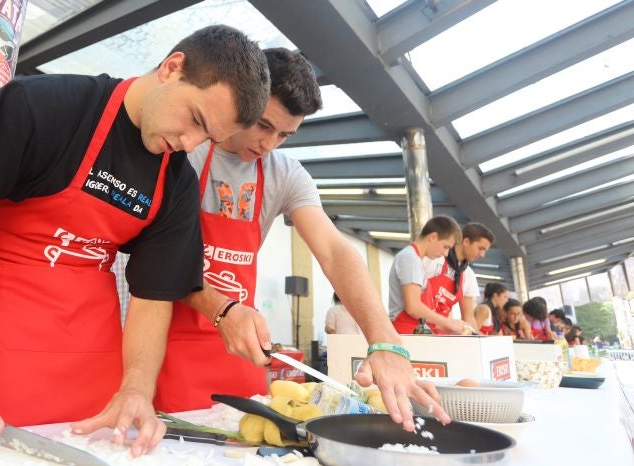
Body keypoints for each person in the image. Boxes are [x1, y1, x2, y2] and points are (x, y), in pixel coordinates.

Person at [0, 25, 270, 456]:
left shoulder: (175, 180)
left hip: (93, 366)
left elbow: (153, 295)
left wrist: (136, 389)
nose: (189, 143)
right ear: (172, 67)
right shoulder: (42, 107)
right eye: (195, 120)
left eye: (208, 138)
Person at [154, 48, 449, 431]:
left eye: (284, 135)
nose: (269, 144)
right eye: (263, 125)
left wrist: (385, 341)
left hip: (240, 349)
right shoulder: (187, 150)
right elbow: (163, 259)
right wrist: (219, 308)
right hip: (166, 339)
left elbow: (334, 251)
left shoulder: (285, 174)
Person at [389, 215, 468, 336]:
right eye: (446, 247)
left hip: (415, 333)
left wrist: (443, 327)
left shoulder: (416, 260)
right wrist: (448, 323)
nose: (446, 254)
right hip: (406, 334)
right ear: (433, 237)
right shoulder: (410, 258)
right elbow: (413, 307)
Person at [421, 222, 495, 332]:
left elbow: (468, 317)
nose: (482, 254)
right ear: (466, 241)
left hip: (440, 335)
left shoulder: (468, 275)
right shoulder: (434, 260)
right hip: (416, 330)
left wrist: (475, 338)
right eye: (480, 248)